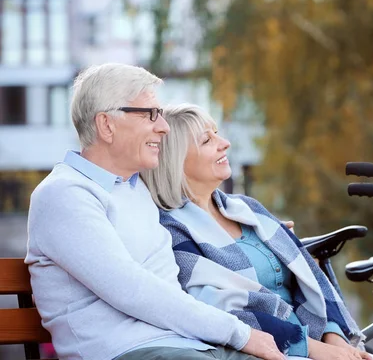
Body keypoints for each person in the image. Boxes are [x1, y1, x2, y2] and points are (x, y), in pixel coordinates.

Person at [25, 63, 286, 360]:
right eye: (150, 114)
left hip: (186, 345)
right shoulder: (64, 195)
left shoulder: (135, 189)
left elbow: (190, 219)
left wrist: (260, 236)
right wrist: (240, 333)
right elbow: (132, 290)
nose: (163, 126)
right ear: (106, 125)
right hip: (129, 351)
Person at [141, 104, 372, 360]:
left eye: (217, 133)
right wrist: (314, 349)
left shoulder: (247, 208)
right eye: (207, 140)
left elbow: (311, 278)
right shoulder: (173, 230)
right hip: (270, 351)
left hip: (320, 341)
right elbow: (215, 311)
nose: (224, 143)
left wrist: (335, 338)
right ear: (176, 161)